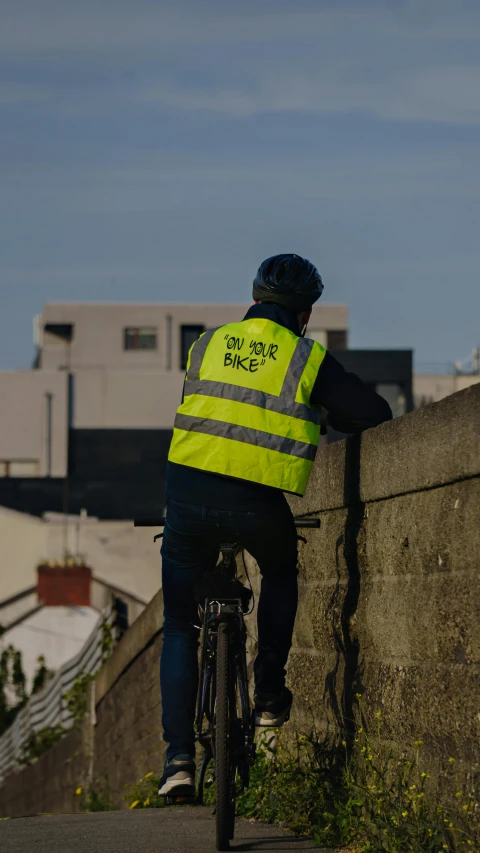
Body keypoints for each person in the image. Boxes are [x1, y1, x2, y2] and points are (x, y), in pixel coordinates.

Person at [158, 254, 392, 796]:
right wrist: (325, 412)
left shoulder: (207, 343)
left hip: (188, 498)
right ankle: (267, 693)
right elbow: (373, 413)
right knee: (281, 571)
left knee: (177, 625)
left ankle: (177, 765)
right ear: (306, 312)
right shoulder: (307, 358)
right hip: (257, 505)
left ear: (254, 298)